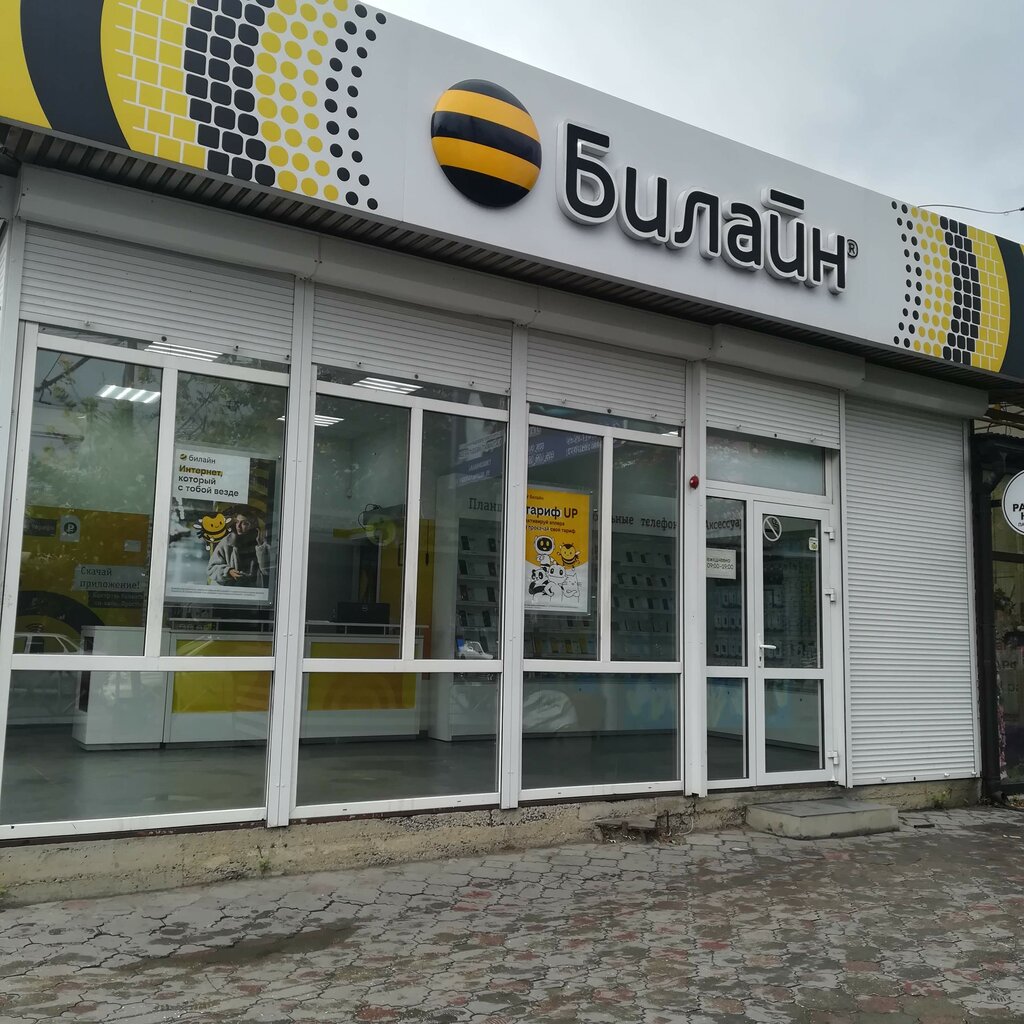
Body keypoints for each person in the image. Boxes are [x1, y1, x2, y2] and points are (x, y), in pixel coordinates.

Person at [207, 508, 270, 588]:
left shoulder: (261, 543)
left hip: (253, 590)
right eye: (237, 522)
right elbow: (211, 568)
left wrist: (261, 546)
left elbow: (267, 571)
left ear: (253, 526)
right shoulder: (227, 542)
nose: (238, 526)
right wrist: (228, 572)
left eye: (244, 523)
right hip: (231, 589)